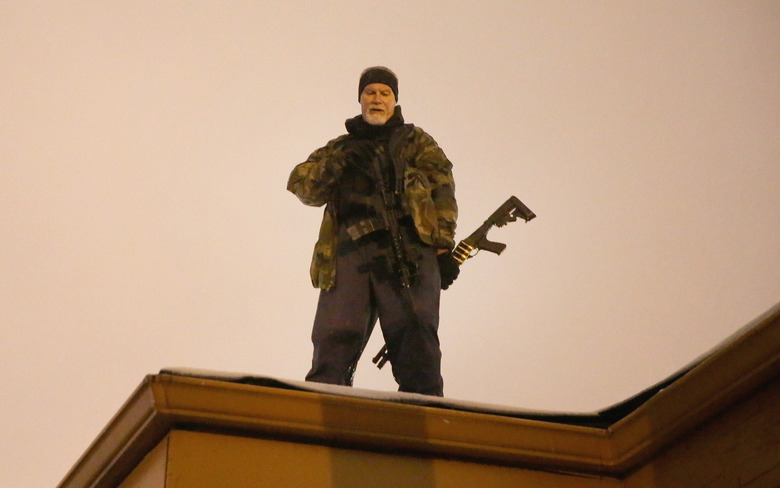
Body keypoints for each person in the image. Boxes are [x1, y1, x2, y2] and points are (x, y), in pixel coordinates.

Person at [287, 66, 459, 396]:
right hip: (351, 252)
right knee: (337, 332)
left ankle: (427, 416)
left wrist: (442, 247)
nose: (376, 99)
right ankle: (325, 406)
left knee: (415, 333)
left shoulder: (416, 142)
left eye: (384, 93)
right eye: (370, 93)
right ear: (360, 100)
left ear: (395, 101)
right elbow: (303, 186)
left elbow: (442, 191)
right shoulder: (340, 147)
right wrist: (341, 161)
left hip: (408, 248)